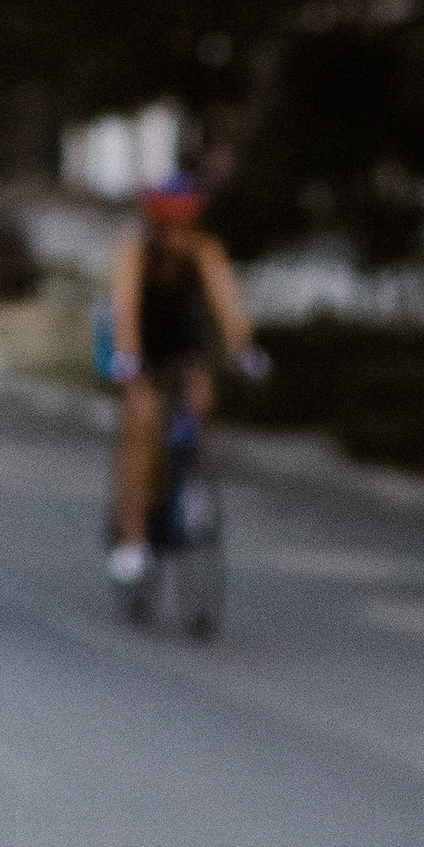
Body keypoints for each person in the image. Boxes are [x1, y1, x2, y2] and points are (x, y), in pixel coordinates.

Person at [103, 178, 261, 590]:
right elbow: (125, 307)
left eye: (184, 228)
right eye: (169, 228)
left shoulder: (205, 250)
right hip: (139, 342)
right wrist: (127, 359)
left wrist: (244, 346)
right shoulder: (135, 251)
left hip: (182, 341)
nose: (177, 238)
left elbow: (227, 301)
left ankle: (187, 482)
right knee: (140, 426)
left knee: (201, 396)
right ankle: (133, 538)